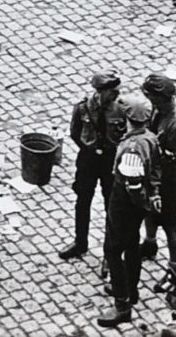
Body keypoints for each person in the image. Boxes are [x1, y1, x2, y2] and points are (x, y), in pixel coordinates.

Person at [96, 93, 161, 328]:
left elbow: (132, 185)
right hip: (134, 207)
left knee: (114, 250)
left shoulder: (133, 147)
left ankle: (122, 305)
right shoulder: (149, 137)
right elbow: (154, 172)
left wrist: (139, 201)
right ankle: (131, 290)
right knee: (132, 245)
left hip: (124, 204)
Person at [59, 71, 125, 261]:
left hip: (110, 161)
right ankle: (80, 243)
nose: (116, 94)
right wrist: (89, 150)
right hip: (88, 160)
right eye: (112, 91)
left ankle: (109, 252)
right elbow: (75, 132)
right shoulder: (83, 107)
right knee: (82, 201)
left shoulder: (121, 110)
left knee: (110, 206)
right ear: (100, 91)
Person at [141, 74, 176, 265]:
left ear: (161, 98)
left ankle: (174, 265)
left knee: (169, 222)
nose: (149, 101)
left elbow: (172, 155)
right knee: (149, 210)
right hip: (154, 168)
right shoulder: (159, 108)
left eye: (151, 97)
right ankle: (149, 243)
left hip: (169, 176)